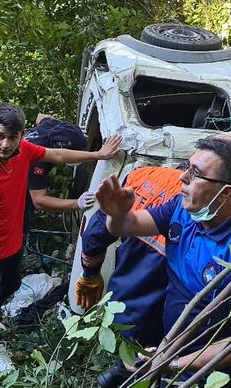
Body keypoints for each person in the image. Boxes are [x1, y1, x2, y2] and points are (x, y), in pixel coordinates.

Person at [0, 103, 121, 372]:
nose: (5, 144)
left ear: (22, 135)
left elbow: (58, 154)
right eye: (0, 136)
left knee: (12, 285)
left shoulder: (24, 151)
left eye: (12, 137)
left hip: (13, 243)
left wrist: (98, 155)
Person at [95, 138, 231, 387]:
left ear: (226, 193)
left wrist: (173, 363)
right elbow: (128, 225)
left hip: (215, 374)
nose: (182, 178)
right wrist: (116, 213)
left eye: (196, 174)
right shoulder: (182, 209)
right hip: (170, 352)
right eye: (188, 168)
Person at [76, 166, 183, 388]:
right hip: (159, 301)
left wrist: (90, 274)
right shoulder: (200, 199)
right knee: (150, 364)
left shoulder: (142, 175)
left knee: (132, 355)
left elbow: (96, 231)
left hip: (128, 294)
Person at [24, 114, 95, 230]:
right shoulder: (37, 163)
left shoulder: (51, 125)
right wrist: (77, 203)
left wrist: (72, 132)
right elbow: (39, 201)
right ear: (62, 149)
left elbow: (40, 116)